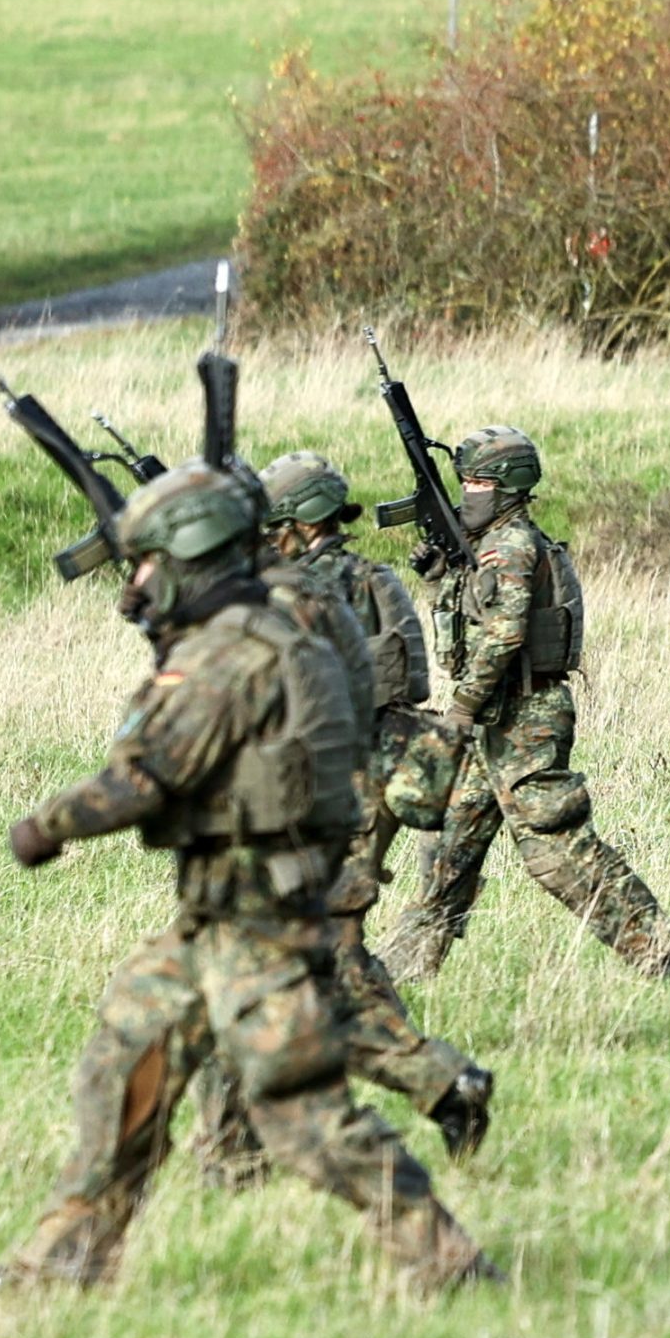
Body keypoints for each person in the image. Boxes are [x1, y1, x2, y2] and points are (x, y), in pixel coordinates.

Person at [0, 462, 494, 1293]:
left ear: (194, 558)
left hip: (260, 926)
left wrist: (46, 826)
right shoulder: (265, 629)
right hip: (211, 922)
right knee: (123, 1067)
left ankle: (451, 1265)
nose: (139, 579)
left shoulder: (234, 654)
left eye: (150, 562)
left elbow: (146, 778)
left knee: (301, 1118)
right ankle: (63, 1264)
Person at [195, 453, 495, 1182]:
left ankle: (237, 1158)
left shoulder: (294, 592)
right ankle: (240, 1152)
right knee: (332, 957)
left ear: (299, 524)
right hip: (373, 769)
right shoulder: (372, 578)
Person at [381, 426, 670, 981]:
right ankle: (404, 969)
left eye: (478, 482)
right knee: (451, 846)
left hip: (522, 717)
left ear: (506, 488)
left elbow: (503, 635)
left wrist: (460, 710)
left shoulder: (511, 547)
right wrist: (440, 578)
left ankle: (657, 944)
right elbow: (476, 612)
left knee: (552, 844)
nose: (468, 492)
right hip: (494, 719)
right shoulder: (490, 547)